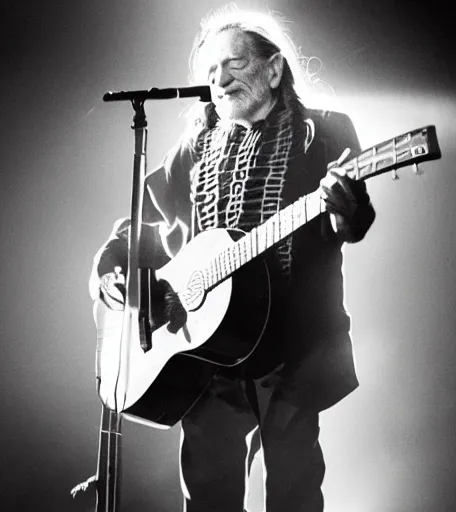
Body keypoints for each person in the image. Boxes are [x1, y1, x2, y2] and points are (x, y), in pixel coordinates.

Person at [89, 5, 376, 512]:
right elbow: (146, 226)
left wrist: (348, 212)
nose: (219, 79)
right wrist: (112, 268)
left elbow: (351, 224)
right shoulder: (193, 147)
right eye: (210, 71)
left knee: (293, 494)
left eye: (233, 64)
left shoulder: (327, 131)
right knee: (207, 499)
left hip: (292, 352)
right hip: (208, 355)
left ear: (273, 69)